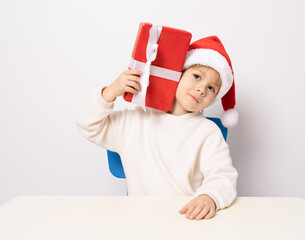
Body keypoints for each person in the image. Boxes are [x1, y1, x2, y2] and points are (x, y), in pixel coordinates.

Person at [76, 36, 239, 220]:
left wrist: (209, 197)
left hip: (186, 219)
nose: (201, 89)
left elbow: (223, 177)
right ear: (177, 75)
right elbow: (86, 123)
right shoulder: (135, 121)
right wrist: (111, 91)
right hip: (139, 220)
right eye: (196, 76)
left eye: (211, 88)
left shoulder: (208, 132)